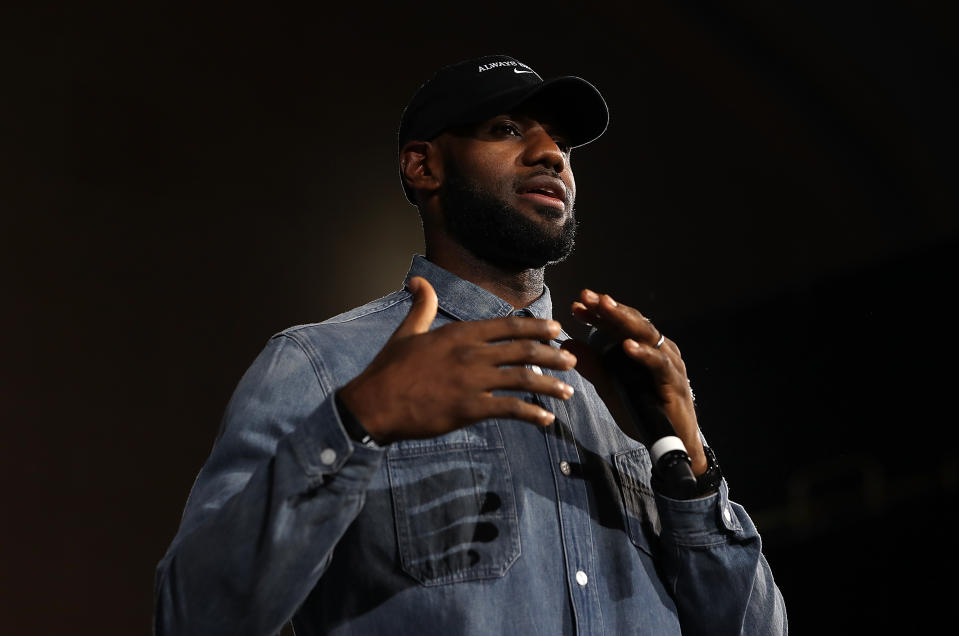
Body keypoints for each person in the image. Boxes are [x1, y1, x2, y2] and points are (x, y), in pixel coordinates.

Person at [154, 54, 787, 635]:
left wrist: (691, 465)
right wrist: (358, 420)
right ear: (423, 165)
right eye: (509, 130)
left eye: (562, 143)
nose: (551, 156)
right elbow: (192, 617)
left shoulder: (619, 392)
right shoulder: (325, 367)